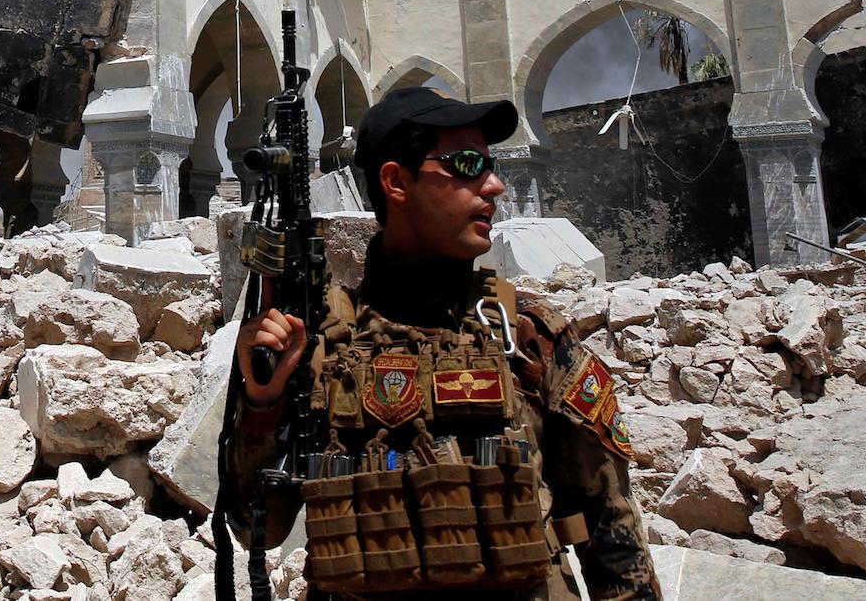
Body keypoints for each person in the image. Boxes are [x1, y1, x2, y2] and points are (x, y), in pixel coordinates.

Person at [221, 86, 661, 601]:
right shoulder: (317, 344)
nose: (494, 186)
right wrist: (263, 406)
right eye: (468, 164)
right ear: (395, 180)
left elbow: (614, 540)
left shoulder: (527, 335)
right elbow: (257, 530)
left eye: (490, 165)